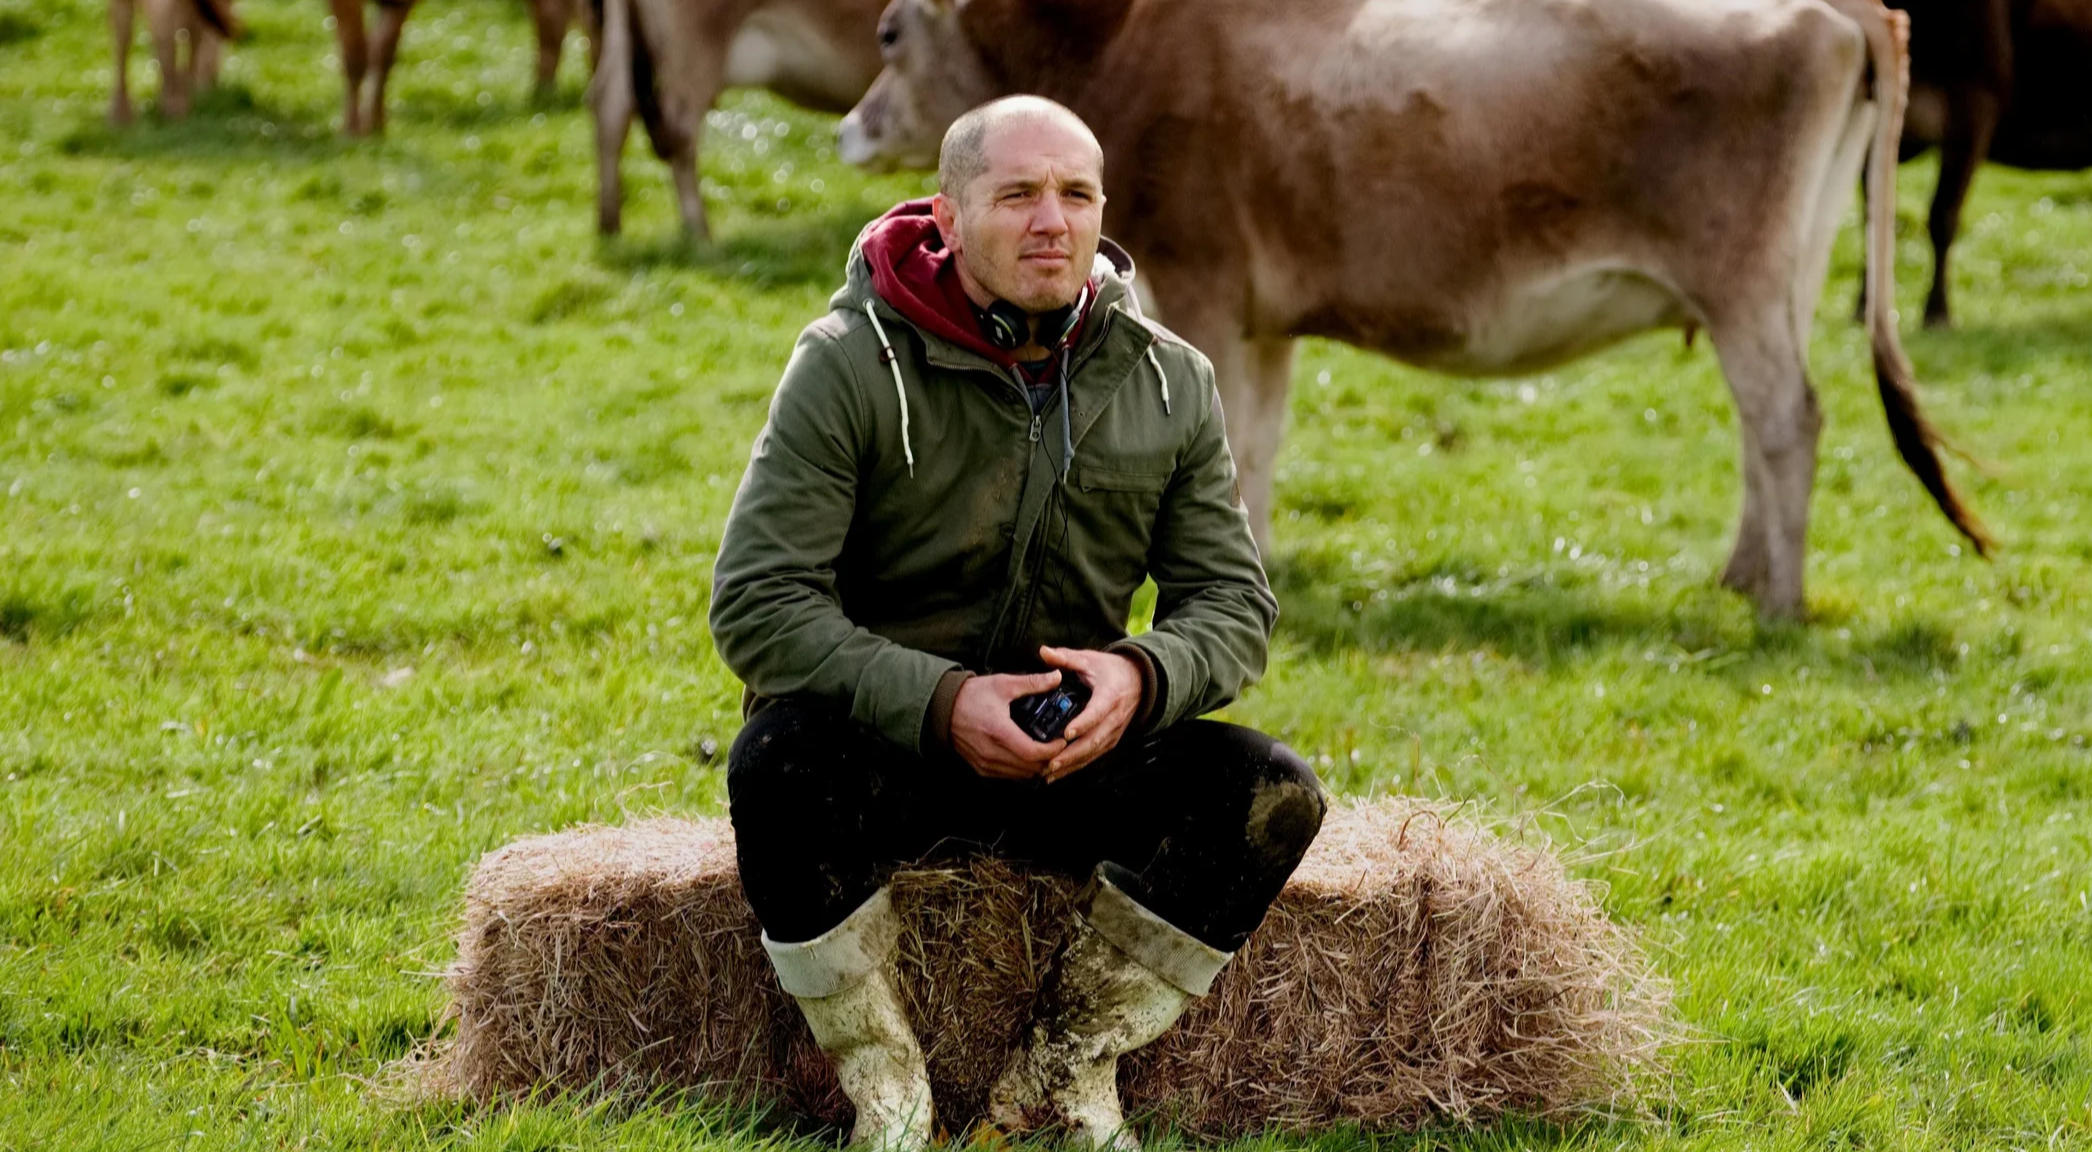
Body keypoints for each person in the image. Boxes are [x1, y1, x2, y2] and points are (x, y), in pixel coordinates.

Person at [708, 95, 1326, 1152]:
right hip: (888, 757)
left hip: (1068, 760)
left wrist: (1138, 679)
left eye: (1076, 193)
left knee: (1269, 794)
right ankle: (887, 1087)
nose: (1053, 219)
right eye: (1018, 195)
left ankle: (1063, 1070)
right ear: (947, 219)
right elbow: (758, 603)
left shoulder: (1169, 379)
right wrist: (943, 704)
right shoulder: (848, 361)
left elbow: (1232, 606)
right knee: (775, 759)